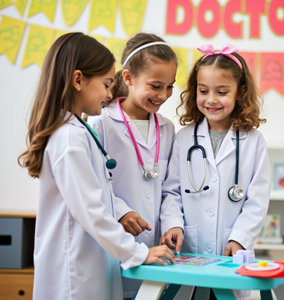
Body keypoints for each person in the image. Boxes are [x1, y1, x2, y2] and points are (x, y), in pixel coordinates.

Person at [17, 32, 175, 300]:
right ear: (78, 80)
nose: (110, 93)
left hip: (92, 265)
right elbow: (92, 211)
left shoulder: (77, 130)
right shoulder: (70, 137)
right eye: (106, 84)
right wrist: (138, 253)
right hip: (75, 275)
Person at [160, 44, 270, 299]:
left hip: (231, 253)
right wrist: (173, 224)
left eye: (221, 92)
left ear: (240, 92)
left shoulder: (254, 141)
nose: (211, 99)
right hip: (188, 251)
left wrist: (240, 238)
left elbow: (258, 200)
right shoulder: (184, 138)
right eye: (203, 90)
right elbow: (172, 192)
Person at [88, 32, 177, 298]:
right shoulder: (101, 123)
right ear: (128, 78)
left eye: (170, 86)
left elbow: (172, 188)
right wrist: (121, 212)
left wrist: (173, 223)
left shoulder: (167, 128)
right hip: (117, 243)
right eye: (155, 85)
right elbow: (93, 184)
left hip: (158, 247)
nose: (163, 95)